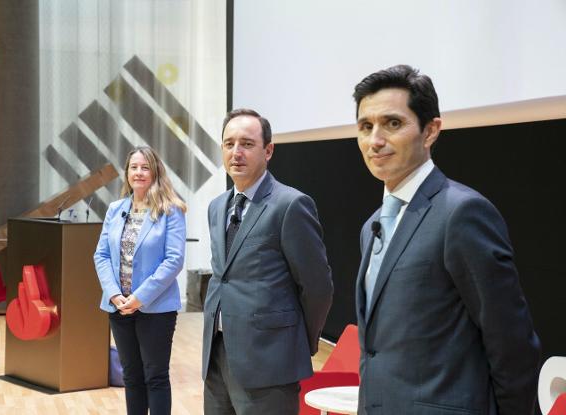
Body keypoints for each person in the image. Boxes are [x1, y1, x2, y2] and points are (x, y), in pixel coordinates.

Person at [353, 65, 541, 414]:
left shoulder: (462, 212)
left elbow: (512, 344)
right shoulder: (372, 226)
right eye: (366, 127)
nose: (375, 140)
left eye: (392, 123)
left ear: (430, 131)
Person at [201, 108, 334, 415]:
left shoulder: (290, 205)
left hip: (269, 363)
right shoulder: (217, 206)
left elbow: (318, 287)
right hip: (217, 355)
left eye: (247, 144)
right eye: (229, 143)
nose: (236, 152)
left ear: (268, 150)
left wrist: (298, 341)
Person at [94, 146, 186, 415]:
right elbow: (101, 255)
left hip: (155, 309)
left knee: (155, 377)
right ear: (127, 173)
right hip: (118, 307)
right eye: (134, 167)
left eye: (145, 167)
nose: (139, 172)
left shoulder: (171, 211)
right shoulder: (115, 209)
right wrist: (113, 294)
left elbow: (173, 261)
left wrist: (139, 298)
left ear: (155, 171)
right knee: (131, 376)